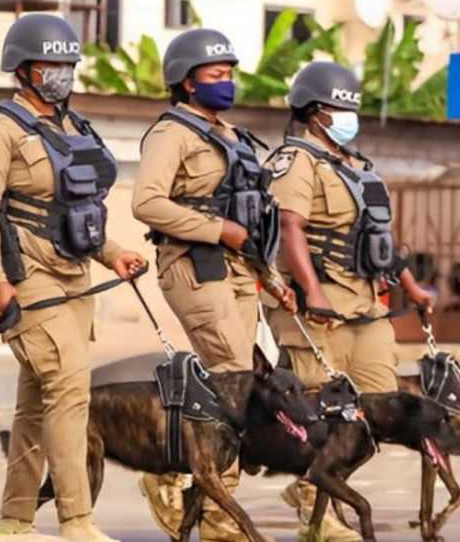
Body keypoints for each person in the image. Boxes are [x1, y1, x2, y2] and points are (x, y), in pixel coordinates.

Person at [0, 13, 145, 542]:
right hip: (27, 280)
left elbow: (79, 209)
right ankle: (77, 520)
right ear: (22, 69)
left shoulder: (74, 128)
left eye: (68, 64)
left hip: (74, 280)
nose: (61, 74)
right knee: (70, 389)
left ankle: (16, 520)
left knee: (34, 403)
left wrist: (112, 253)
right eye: (51, 64)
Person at [132, 28, 297, 542]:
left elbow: (249, 215)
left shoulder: (232, 135)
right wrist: (216, 229)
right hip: (193, 264)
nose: (225, 83)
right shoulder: (171, 134)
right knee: (233, 384)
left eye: (229, 74)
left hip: (238, 270)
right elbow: (147, 203)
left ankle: (173, 476)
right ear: (186, 82)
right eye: (214, 75)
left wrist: (269, 278)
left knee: (240, 386)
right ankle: (219, 521)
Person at [265, 61, 432, 541]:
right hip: (318, 312)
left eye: (350, 108)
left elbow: (379, 238)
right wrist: (312, 291)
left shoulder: (358, 168)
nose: (346, 116)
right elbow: (290, 228)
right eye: (339, 108)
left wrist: (412, 286)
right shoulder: (295, 162)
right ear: (314, 112)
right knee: (320, 416)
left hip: (367, 309)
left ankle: (311, 491)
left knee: (378, 415)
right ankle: (319, 512)